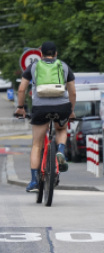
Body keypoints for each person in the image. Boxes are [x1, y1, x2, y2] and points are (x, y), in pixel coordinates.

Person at [15, 40, 77, 193]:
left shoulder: (33, 66)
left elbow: (22, 90)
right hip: (61, 107)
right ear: (56, 53)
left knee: (37, 145)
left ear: (41, 54)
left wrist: (21, 108)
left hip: (40, 108)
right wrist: (71, 110)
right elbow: (73, 92)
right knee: (61, 129)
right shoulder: (64, 66)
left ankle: (34, 180)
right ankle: (61, 150)